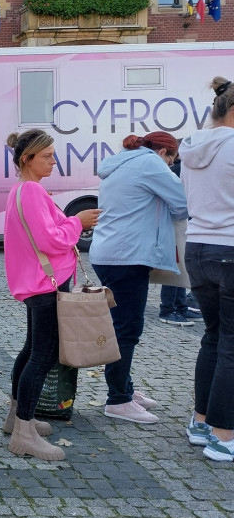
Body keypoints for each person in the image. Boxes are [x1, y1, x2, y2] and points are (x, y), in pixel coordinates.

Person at [2, 129, 100, 461]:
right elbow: (49, 239)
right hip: (46, 284)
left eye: (53, 155)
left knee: (32, 350)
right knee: (42, 355)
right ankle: (23, 431)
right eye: (47, 156)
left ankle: (17, 416)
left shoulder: (24, 190)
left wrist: (72, 223)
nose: (53, 161)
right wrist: (78, 221)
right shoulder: (31, 191)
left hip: (39, 282)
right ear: (27, 159)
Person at [89, 132, 188, 425]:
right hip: (128, 255)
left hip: (109, 252)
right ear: (163, 152)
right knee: (127, 328)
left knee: (121, 325)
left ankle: (125, 389)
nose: (172, 166)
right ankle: (118, 399)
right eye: (173, 160)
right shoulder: (151, 164)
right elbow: (183, 204)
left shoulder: (121, 162)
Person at [182, 76, 234, 461]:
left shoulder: (192, 146)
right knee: (230, 343)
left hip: (197, 247)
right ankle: (224, 435)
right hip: (230, 248)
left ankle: (201, 421)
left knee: (213, 337)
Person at [158, 153, 202, 326]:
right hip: (176, 225)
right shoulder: (179, 169)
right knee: (175, 268)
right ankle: (168, 309)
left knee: (180, 267)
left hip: (180, 224)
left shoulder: (179, 167)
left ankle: (180, 306)